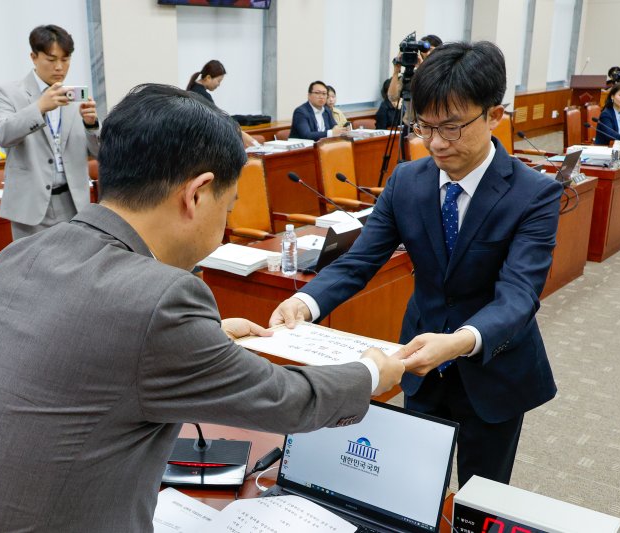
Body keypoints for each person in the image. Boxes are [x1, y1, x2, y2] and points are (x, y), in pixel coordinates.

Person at [0, 84, 406, 532]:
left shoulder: (21, 252)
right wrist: (372, 371)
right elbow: (287, 401)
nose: (223, 223)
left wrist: (203, 337)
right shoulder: (160, 298)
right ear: (197, 194)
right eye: (227, 208)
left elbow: (82, 348)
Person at [269, 41, 562, 488]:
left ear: (494, 116)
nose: (436, 144)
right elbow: (359, 262)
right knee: (412, 488)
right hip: (419, 366)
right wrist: (306, 303)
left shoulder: (534, 194)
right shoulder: (407, 180)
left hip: (494, 370)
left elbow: (519, 296)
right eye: (425, 127)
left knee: (480, 498)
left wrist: (460, 341)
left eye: (452, 128)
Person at [0, 25, 100, 240]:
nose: (59, 67)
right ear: (34, 57)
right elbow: (2, 135)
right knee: (33, 269)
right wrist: (39, 107)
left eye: (66, 59)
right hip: (31, 206)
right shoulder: (9, 92)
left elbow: (100, 152)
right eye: (51, 60)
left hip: (74, 203)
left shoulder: (74, 97)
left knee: (76, 266)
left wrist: (91, 124)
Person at [187, 60, 259, 148]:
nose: (219, 85)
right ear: (208, 78)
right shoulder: (202, 95)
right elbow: (219, 120)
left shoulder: (193, 89)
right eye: (218, 81)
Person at [387, 34, 443, 105]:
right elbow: (392, 97)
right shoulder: (412, 74)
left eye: (431, 50)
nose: (428, 53)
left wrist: (422, 69)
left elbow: (433, 95)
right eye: (425, 50)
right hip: (409, 116)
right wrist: (396, 71)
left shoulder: (444, 73)